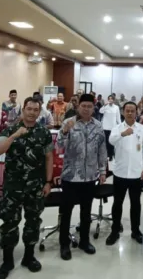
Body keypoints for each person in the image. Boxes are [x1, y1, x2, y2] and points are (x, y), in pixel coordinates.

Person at [0, 97, 54, 278]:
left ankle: (29, 256)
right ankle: (7, 260)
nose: (32, 112)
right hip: (13, 186)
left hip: (35, 185)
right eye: (29, 109)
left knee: (33, 221)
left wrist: (48, 182)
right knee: (9, 222)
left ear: (39, 112)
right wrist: (14, 136)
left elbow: (49, 157)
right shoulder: (9, 130)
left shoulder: (44, 132)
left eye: (36, 110)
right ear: (23, 110)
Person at [57, 94, 108, 260]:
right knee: (67, 211)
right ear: (78, 107)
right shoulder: (69, 122)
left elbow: (102, 150)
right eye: (83, 106)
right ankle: (64, 244)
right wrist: (65, 131)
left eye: (89, 106)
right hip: (70, 176)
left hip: (90, 176)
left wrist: (102, 171)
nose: (86, 109)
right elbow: (58, 147)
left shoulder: (98, 125)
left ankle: (84, 241)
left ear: (93, 108)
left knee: (86, 211)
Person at [106, 102, 143, 246]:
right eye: (127, 111)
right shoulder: (117, 128)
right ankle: (114, 231)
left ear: (136, 112)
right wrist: (123, 134)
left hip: (137, 173)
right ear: (123, 112)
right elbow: (111, 140)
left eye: (132, 111)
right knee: (117, 203)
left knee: (136, 203)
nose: (130, 113)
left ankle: (135, 231)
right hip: (120, 172)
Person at [99, 95, 122, 159]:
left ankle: (111, 154)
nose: (110, 100)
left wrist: (120, 125)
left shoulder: (116, 107)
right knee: (106, 141)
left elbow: (118, 117)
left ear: (114, 100)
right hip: (105, 126)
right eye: (109, 99)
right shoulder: (106, 106)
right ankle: (106, 154)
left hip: (113, 127)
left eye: (111, 99)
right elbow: (100, 111)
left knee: (112, 141)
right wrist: (104, 106)